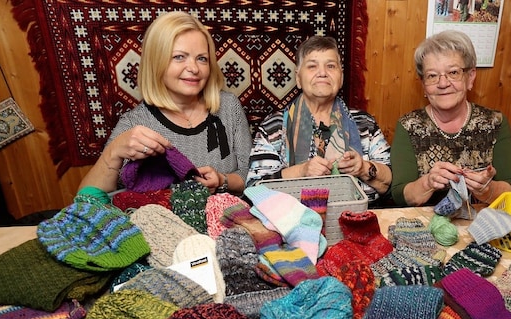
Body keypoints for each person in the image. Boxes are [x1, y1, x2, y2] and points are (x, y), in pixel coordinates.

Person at [79, 11, 251, 195]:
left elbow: (249, 176)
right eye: (179, 57)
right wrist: (112, 153)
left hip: (229, 218)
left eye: (202, 58)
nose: (194, 68)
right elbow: (85, 200)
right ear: (156, 62)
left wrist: (222, 180)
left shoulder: (228, 106)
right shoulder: (134, 124)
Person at [246, 36, 392, 206]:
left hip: (359, 220)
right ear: (298, 79)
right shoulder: (274, 126)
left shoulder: (364, 123)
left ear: (341, 77)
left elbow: (390, 185)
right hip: (289, 225)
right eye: (312, 66)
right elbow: (254, 189)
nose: (322, 73)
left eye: (330, 66)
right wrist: (301, 171)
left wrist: (363, 168)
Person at [390, 30, 511, 207]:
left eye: (453, 72)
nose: (443, 83)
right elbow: (400, 195)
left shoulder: (494, 123)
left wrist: (488, 190)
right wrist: (428, 182)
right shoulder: (409, 126)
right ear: (423, 85)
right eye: (432, 76)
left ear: (470, 77)